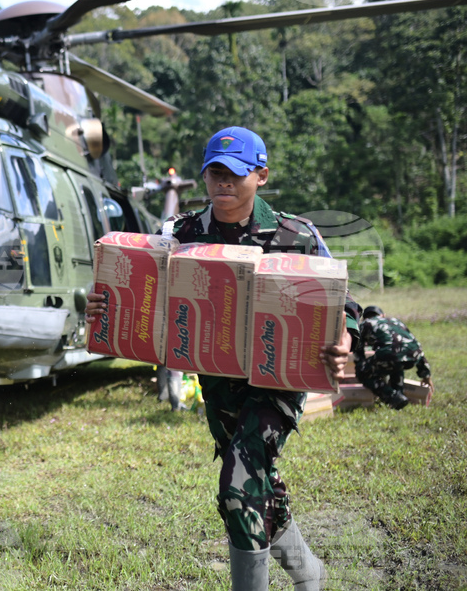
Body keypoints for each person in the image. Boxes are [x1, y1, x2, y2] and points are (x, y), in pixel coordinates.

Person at [86, 127, 362, 591]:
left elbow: (344, 304)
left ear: (262, 175)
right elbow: (142, 289)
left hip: (276, 385)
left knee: (237, 488)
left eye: (235, 173)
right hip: (218, 387)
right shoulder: (180, 234)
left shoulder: (296, 236)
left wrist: (344, 341)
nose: (223, 183)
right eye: (215, 172)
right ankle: (309, 574)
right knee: (255, 489)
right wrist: (103, 304)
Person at [354, 305, 432, 410]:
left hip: (390, 355)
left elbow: (358, 351)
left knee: (362, 372)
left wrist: (363, 368)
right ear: (383, 315)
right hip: (413, 355)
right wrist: (426, 374)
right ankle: (399, 396)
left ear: (364, 318)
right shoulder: (395, 321)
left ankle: (393, 396)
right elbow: (413, 345)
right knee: (395, 364)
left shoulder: (364, 324)